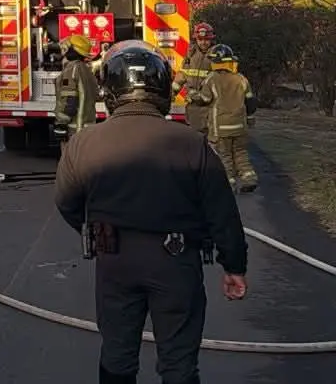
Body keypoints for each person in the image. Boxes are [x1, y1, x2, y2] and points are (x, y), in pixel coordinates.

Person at [55, 40, 248, 384]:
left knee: (117, 354)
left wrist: (97, 229)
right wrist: (234, 266)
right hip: (176, 262)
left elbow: (67, 202)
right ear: (161, 89)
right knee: (178, 361)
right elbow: (223, 213)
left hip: (114, 261)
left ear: (111, 91)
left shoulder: (84, 142)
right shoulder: (191, 143)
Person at [195, 43, 259, 193]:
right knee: (241, 153)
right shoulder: (241, 79)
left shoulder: (212, 79)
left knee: (224, 157)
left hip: (221, 128)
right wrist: (248, 117)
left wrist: (193, 96)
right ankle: (249, 178)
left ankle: (228, 184)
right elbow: (251, 102)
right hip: (240, 126)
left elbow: (204, 98)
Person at [52, 34, 98, 141]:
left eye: (67, 46)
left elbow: (69, 99)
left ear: (72, 50)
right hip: (88, 125)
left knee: (71, 157)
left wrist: (61, 123)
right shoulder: (86, 70)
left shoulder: (71, 69)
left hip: (75, 129)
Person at [182, 22, 217, 134]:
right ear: (196, 39)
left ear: (211, 39)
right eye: (200, 39)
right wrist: (172, 93)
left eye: (206, 39)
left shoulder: (217, 55)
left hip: (209, 106)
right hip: (192, 105)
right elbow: (182, 74)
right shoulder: (190, 54)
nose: (203, 42)